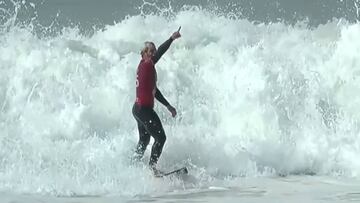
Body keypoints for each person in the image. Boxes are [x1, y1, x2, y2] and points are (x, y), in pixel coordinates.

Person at [132, 28, 181, 175]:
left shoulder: (145, 65)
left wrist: (168, 105)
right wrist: (171, 39)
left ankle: (133, 166)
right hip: (143, 110)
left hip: (138, 109)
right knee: (161, 138)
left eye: (153, 52)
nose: (153, 54)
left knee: (144, 140)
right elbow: (160, 52)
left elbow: (154, 91)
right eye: (150, 51)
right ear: (143, 53)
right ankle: (152, 169)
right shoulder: (147, 65)